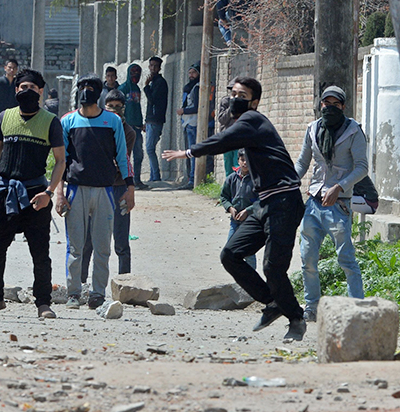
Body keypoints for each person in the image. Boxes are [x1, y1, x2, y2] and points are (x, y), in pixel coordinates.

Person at [163, 76, 306, 342]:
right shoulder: (245, 123)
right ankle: (273, 302)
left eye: (242, 96)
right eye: (233, 94)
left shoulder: (253, 119)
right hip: (264, 203)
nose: (235, 99)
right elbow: (227, 135)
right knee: (231, 254)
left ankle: (296, 318)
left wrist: (189, 152)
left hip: (284, 202)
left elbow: (223, 140)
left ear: (255, 102)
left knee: (273, 267)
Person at [0, 68, 65, 319]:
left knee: (40, 252)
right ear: (16, 90)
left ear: (40, 91)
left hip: (36, 196)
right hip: (6, 193)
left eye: (32, 88)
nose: (27, 91)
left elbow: (60, 161)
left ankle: (43, 303)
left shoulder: (50, 121)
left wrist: (49, 192)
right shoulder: (5, 117)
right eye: (23, 87)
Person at [56, 75, 135, 309]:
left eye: (90, 88)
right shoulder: (68, 121)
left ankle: (98, 294)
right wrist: (59, 193)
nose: (85, 91)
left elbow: (122, 157)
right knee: (75, 246)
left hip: (105, 192)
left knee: (102, 247)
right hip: (75, 190)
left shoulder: (112, 121)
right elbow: (61, 161)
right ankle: (74, 293)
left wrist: (130, 188)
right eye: (82, 87)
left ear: (99, 93)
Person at [295, 85, 368, 322]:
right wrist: (289, 182)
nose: (330, 108)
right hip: (314, 202)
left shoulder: (353, 131)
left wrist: (339, 187)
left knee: (346, 259)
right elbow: (303, 163)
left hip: (339, 205)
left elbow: (362, 167)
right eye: (326, 103)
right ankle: (311, 307)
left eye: (336, 104)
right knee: (307, 259)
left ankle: (356, 308)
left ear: (343, 107)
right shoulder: (313, 129)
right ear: (321, 105)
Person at [81, 88, 136, 282]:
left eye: (118, 107)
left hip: (118, 187)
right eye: (110, 106)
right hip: (97, 186)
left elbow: (121, 162)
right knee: (88, 239)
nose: (114, 110)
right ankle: (81, 282)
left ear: (123, 109)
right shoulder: (98, 127)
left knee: (121, 240)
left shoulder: (128, 132)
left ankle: (125, 282)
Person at [219, 149, 258, 269]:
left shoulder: (256, 180)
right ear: (238, 161)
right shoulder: (232, 178)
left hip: (250, 222)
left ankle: (251, 277)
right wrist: (230, 208)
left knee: (248, 252)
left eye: (248, 160)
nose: (245, 163)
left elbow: (262, 200)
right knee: (230, 250)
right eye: (242, 160)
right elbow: (224, 197)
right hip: (235, 221)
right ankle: (240, 275)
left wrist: (248, 211)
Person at [143, 56, 168, 184]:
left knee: (149, 148)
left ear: (159, 68)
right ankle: (153, 176)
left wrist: (146, 86)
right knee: (150, 148)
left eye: (155, 66)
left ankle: (156, 176)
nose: (152, 68)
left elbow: (152, 100)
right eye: (151, 65)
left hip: (156, 120)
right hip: (150, 120)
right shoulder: (154, 81)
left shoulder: (160, 82)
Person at [119, 63, 145, 185]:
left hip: (137, 127)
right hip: (126, 127)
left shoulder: (137, 89)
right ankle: (124, 180)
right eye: (133, 73)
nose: (135, 75)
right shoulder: (122, 89)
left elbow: (137, 108)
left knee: (138, 154)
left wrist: (141, 122)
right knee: (125, 155)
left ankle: (137, 179)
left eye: (138, 73)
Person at [176, 61, 201, 186]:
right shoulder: (190, 87)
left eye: (194, 73)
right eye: (189, 73)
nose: (191, 75)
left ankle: (192, 179)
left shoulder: (197, 87)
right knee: (188, 152)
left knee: (192, 152)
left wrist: (183, 111)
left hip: (193, 123)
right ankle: (189, 178)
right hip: (187, 123)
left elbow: (197, 107)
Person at [0, 58, 20, 135]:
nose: (12, 70)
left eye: (14, 68)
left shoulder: (18, 84)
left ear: (17, 69)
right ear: (5, 68)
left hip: (14, 118)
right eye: (10, 67)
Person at [216, 88, 239, 178]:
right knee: (228, 165)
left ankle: (238, 184)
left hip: (239, 137)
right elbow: (222, 119)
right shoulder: (226, 101)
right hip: (228, 138)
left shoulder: (245, 102)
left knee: (238, 164)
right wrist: (231, 106)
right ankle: (229, 184)